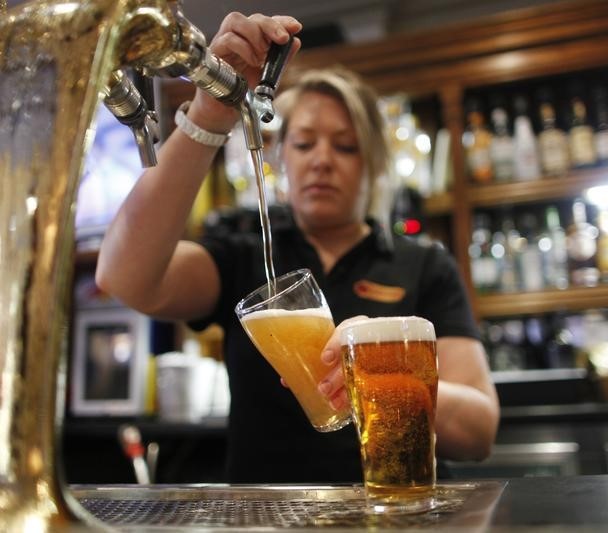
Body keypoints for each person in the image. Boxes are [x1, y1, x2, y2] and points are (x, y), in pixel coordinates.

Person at [96, 11, 500, 483]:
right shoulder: (243, 255)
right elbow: (122, 275)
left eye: (346, 146)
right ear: (280, 159)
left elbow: (478, 432)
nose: (323, 160)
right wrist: (210, 112)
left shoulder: (423, 265)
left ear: (372, 164)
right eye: (305, 144)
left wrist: (380, 378)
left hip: (401, 511)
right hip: (266, 517)